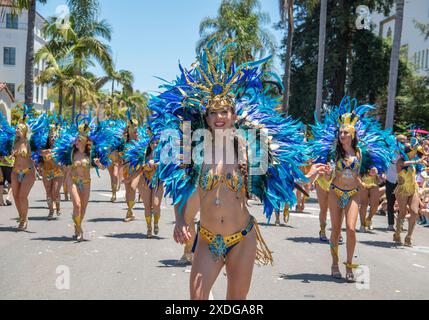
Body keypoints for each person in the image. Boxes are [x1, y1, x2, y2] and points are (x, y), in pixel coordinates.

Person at [150, 42, 316, 300]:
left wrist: (308, 174)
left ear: (234, 115)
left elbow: (282, 177)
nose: (219, 116)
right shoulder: (192, 147)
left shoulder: (253, 146)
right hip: (207, 239)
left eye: (224, 111)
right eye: (213, 112)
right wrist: (181, 220)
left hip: (242, 238)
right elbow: (181, 188)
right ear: (205, 118)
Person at [310, 97, 396, 282]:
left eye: (345, 132)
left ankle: (348, 264)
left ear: (353, 134)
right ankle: (334, 264)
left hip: (353, 194)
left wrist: (372, 174)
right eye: (340, 132)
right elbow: (327, 176)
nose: (342, 135)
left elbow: (364, 175)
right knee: (335, 231)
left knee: (351, 229)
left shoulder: (360, 153)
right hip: (335, 192)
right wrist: (324, 173)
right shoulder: (333, 152)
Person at [53, 113, 110, 242]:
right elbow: (61, 161)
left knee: (83, 208)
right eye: (76, 139)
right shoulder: (72, 152)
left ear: (85, 142)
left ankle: (77, 225)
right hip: (73, 181)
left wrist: (99, 164)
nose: (76, 142)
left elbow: (103, 168)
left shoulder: (90, 154)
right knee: (77, 205)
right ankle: (79, 230)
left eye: (79, 140)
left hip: (86, 182)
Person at [393, 139, 427, 246]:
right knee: (402, 212)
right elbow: (404, 164)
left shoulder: (413, 163)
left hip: (413, 189)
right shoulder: (400, 162)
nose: (415, 154)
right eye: (413, 152)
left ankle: (409, 236)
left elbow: (423, 155)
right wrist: (417, 161)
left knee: (415, 212)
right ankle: (397, 233)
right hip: (402, 190)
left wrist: (423, 159)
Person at [385, 135, 408, 231]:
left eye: (404, 141)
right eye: (401, 141)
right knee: (390, 202)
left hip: (402, 181)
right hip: (390, 179)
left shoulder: (407, 152)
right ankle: (390, 224)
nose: (403, 143)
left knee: (402, 204)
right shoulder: (390, 151)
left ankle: (400, 224)